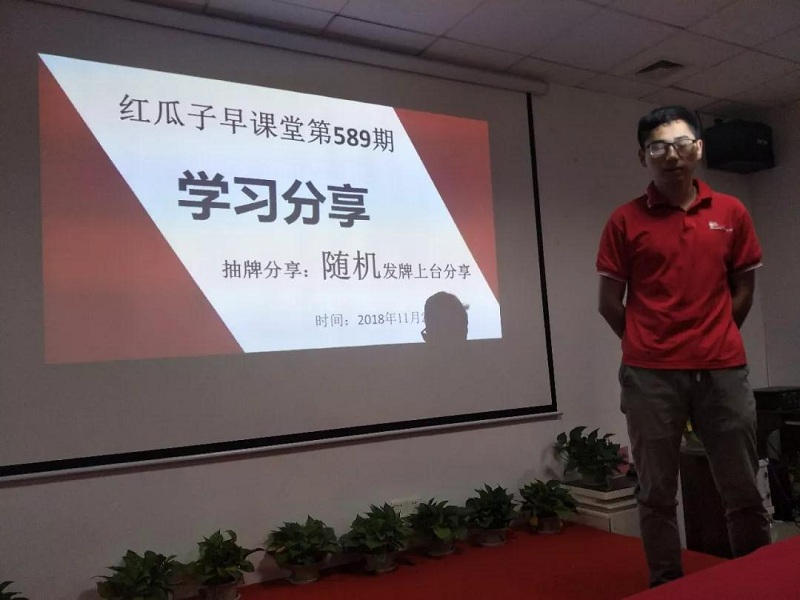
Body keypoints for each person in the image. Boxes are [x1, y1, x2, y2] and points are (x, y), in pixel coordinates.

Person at [595, 105, 771, 587]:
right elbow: (609, 303)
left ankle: (760, 583)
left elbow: (743, 290)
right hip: (650, 376)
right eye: (657, 147)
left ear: (698, 148)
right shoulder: (625, 220)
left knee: (742, 488)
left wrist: (715, 335)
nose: (670, 155)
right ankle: (667, 585)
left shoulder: (732, 212)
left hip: (722, 370)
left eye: (680, 144)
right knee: (656, 493)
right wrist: (648, 344)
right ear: (642, 156)